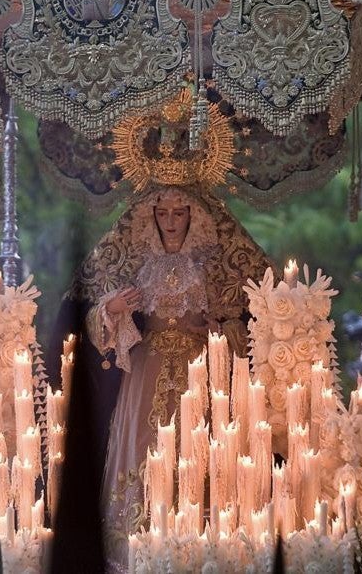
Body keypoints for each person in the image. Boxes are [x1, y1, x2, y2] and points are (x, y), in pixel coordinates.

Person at [60, 185, 270, 570]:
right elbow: (92, 319)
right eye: (163, 213)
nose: (171, 222)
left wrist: (218, 328)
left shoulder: (215, 264)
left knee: (200, 443)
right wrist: (114, 308)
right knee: (142, 441)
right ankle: (138, 543)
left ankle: (201, 541)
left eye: (179, 213)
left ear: (194, 217)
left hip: (199, 365)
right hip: (146, 364)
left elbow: (250, 321)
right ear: (150, 218)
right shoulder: (135, 263)